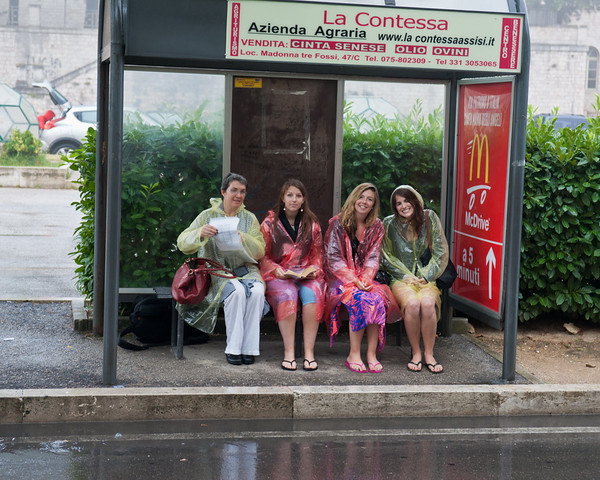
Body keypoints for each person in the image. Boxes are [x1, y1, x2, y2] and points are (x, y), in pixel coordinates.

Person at [176, 173, 267, 366]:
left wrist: (245, 238)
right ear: (223, 192)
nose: (238, 195)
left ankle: (249, 348)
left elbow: (260, 250)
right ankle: (233, 348)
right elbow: (183, 243)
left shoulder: (249, 218)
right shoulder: (207, 216)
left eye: (242, 191)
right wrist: (200, 232)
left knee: (258, 292)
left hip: (245, 269)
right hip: (216, 271)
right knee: (237, 292)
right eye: (234, 190)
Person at [324, 183, 401, 374]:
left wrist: (365, 279)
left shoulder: (377, 226)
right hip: (340, 278)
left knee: (375, 298)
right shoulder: (337, 224)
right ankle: (354, 354)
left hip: (365, 278)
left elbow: (374, 257)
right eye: (361, 197)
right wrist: (353, 280)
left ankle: (371, 355)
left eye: (369, 199)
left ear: (374, 204)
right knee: (359, 299)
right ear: (354, 198)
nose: (364, 202)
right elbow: (333, 258)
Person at [381, 185, 449, 374]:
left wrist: (426, 276)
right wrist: (405, 276)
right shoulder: (389, 223)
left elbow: (440, 251)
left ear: (415, 200)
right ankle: (416, 352)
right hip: (401, 279)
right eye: (398, 203)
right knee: (412, 304)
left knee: (427, 304)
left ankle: (429, 353)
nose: (403, 206)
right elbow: (385, 256)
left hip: (426, 278)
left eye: (406, 200)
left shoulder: (429, 218)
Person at [259, 179, 326, 371]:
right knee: (288, 295)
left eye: (298, 195)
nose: (294, 199)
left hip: (304, 273)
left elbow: (318, 253)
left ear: (304, 199)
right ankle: (289, 352)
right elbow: (261, 255)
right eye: (290, 195)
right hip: (279, 275)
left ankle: (309, 352)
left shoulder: (311, 224)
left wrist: (314, 270)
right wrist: (275, 269)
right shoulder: (269, 223)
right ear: (283, 197)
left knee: (312, 294)